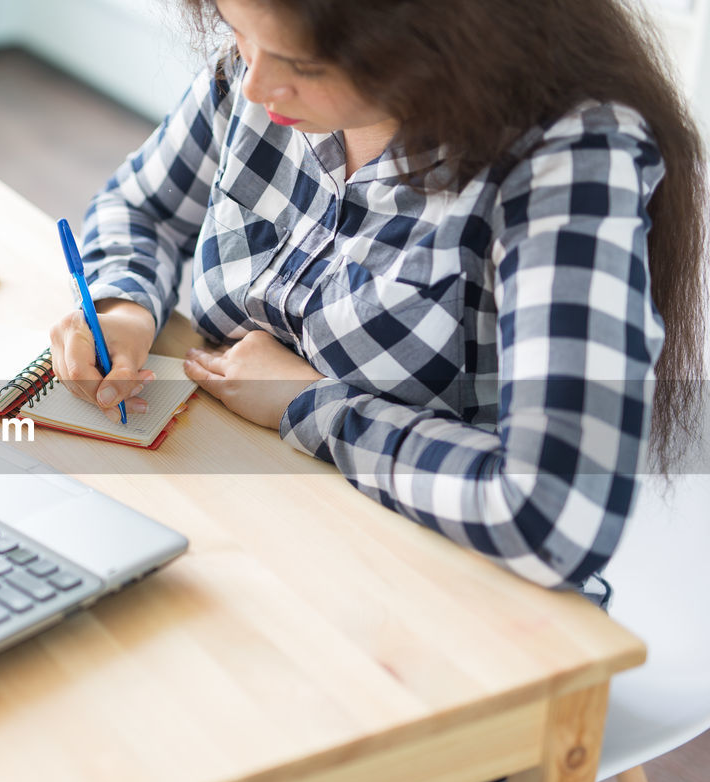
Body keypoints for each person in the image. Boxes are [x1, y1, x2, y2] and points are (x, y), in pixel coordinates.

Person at [49, 0, 707, 605]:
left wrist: (312, 405)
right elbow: (143, 209)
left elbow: (551, 514)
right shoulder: (262, 74)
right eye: (238, 31)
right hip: (243, 518)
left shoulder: (567, 159)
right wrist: (123, 304)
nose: (253, 86)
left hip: (441, 587)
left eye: (305, 63)